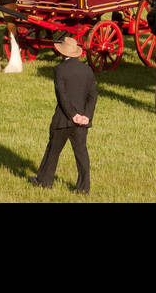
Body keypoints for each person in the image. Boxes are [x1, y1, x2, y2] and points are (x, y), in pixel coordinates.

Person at [31, 36, 97, 194]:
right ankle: (83, 188)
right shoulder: (87, 70)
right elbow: (93, 95)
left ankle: (44, 181)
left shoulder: (60, 70)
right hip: (82, 120)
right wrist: (86, 116)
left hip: (63, 119)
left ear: (62, 53)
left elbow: (62, 96)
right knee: (81, 154)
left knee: (53, 151)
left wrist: (72, 115)